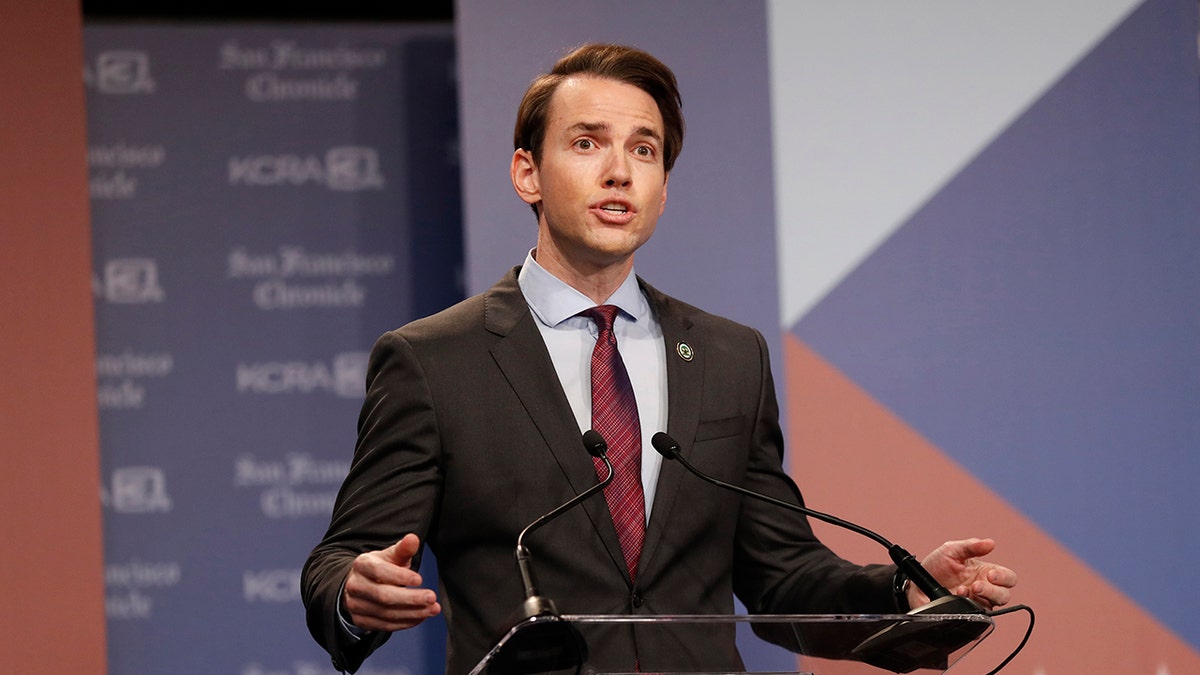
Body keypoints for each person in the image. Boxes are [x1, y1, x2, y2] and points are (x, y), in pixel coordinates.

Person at [302, 43, 1016, 674]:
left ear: (663, 188)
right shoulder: (435, 360)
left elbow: (781, 576)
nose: (619, 171)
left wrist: (904, 590)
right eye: (587, 144)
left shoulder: (729, 355)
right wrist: (355, 593)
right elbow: (341, 560)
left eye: (644, 150)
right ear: (528, 173)